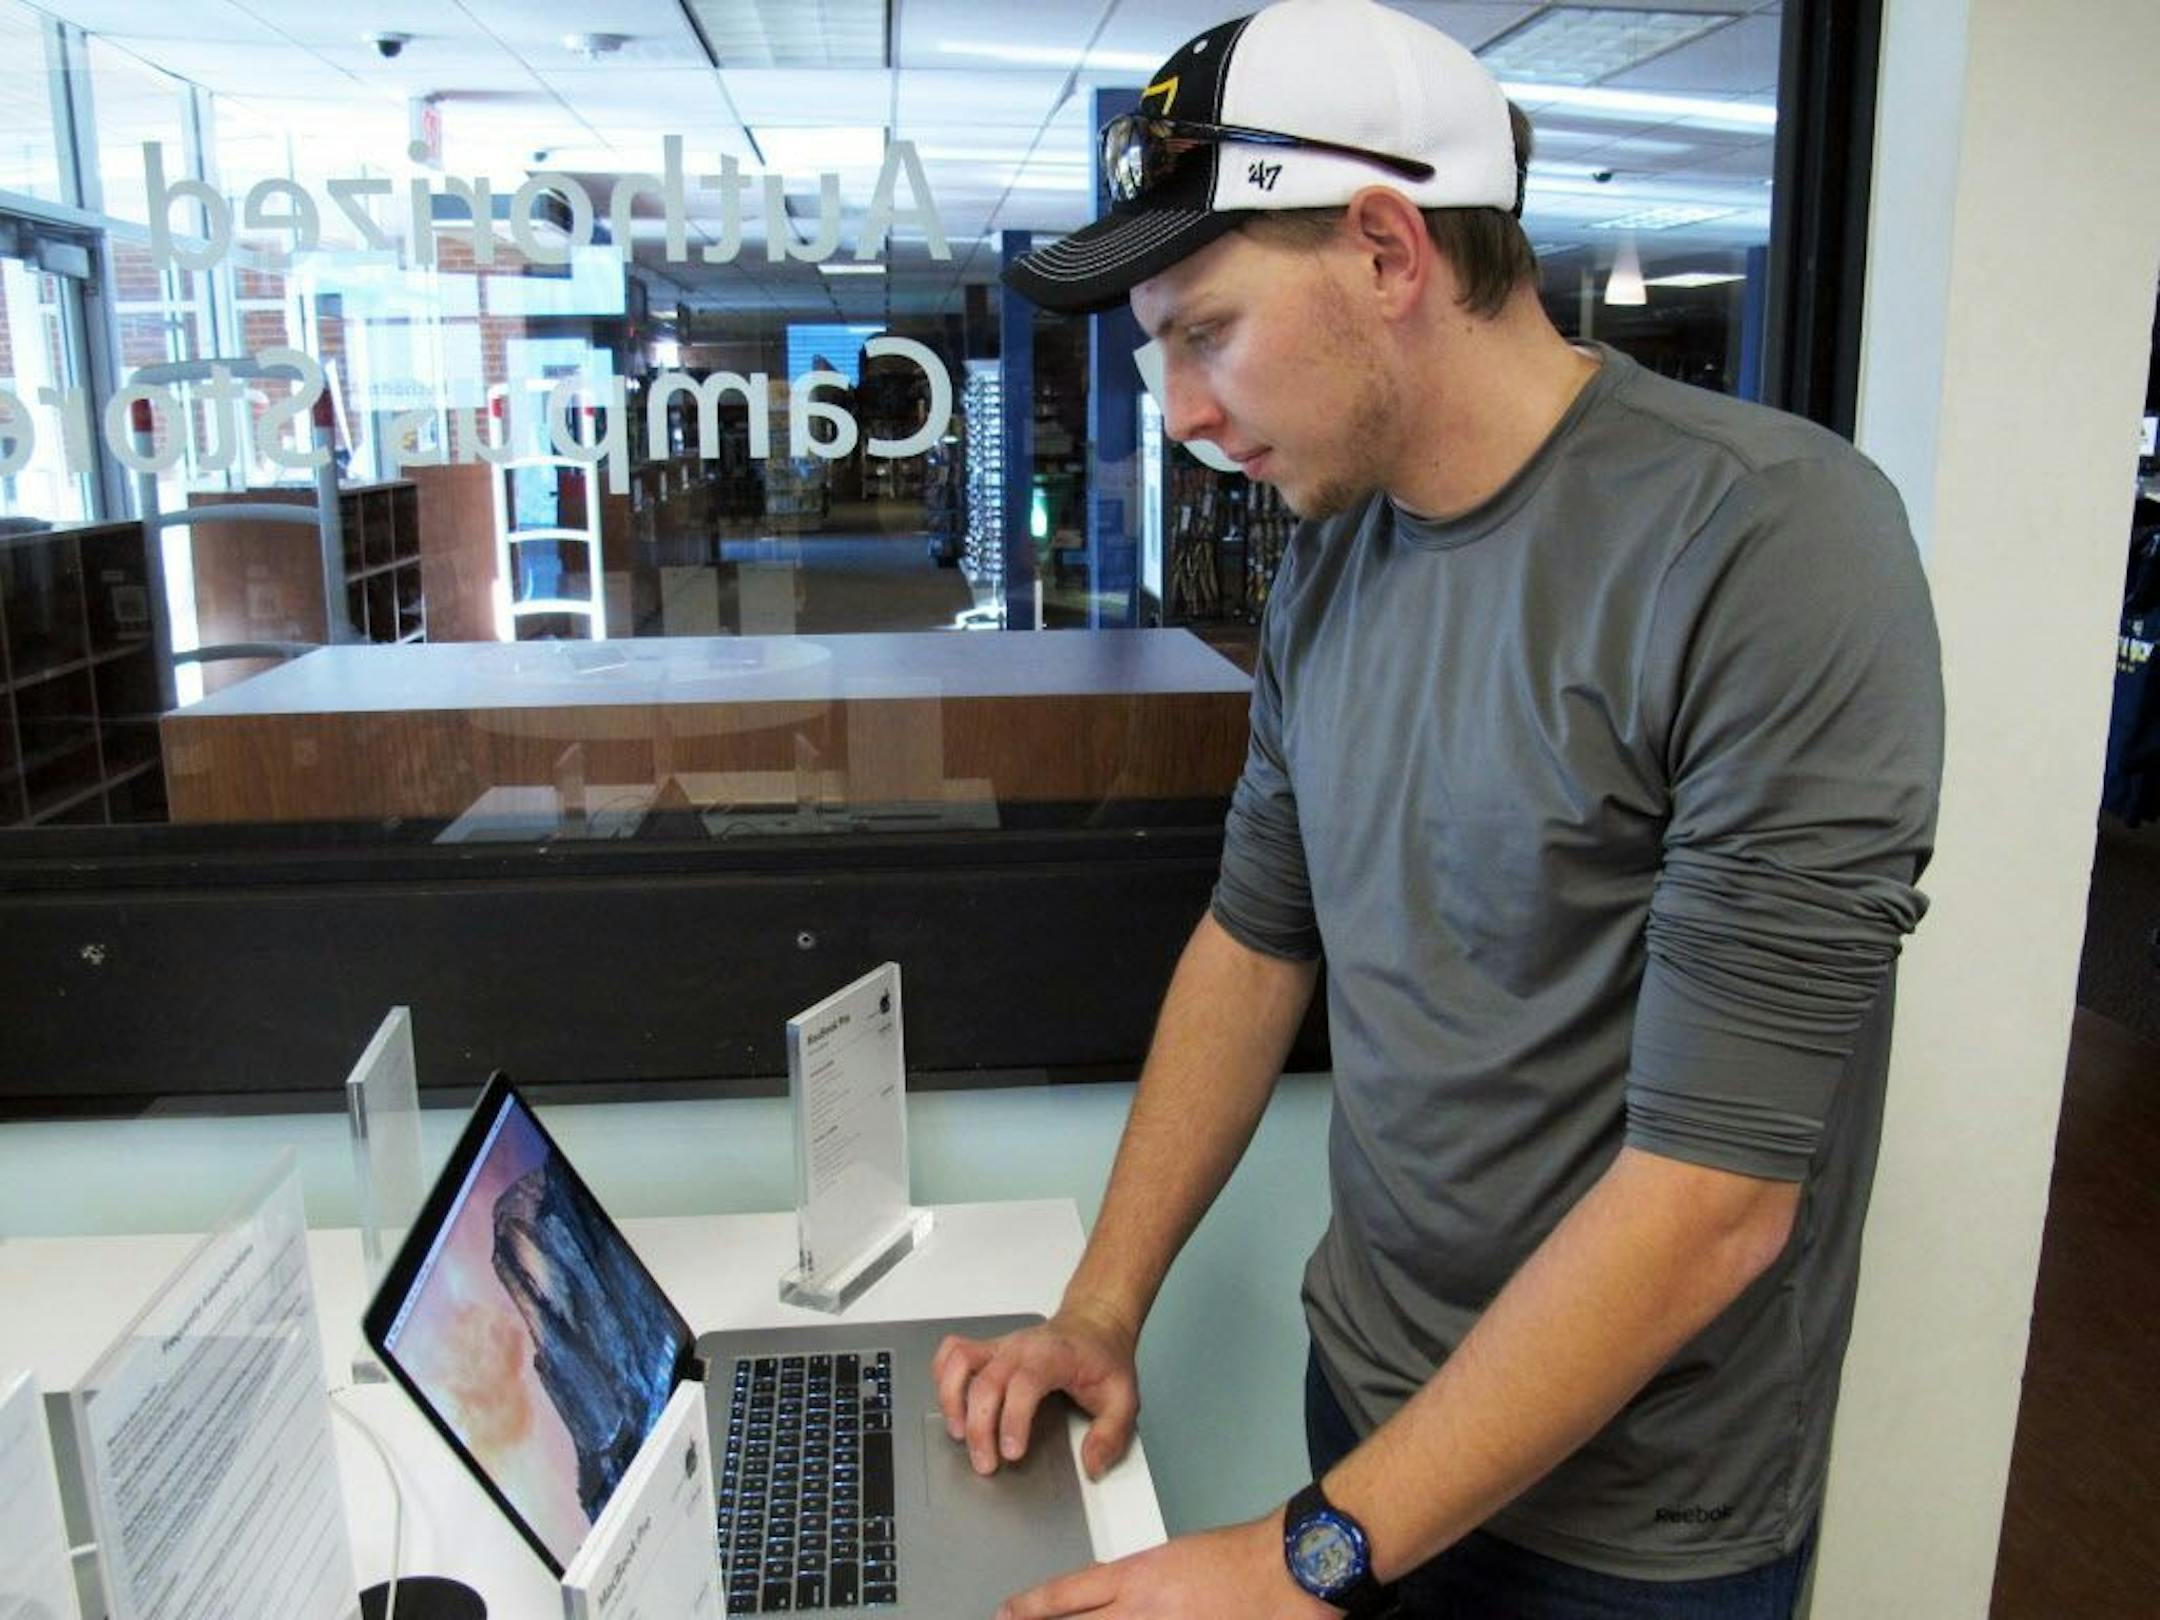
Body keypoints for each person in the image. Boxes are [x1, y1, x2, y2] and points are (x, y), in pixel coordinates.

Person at [936, 1, 1945, 1616]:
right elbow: (1255, 944)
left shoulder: (1774, 547)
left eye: (1207, 330)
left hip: (1634, 1528)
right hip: (1371, 1416)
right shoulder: (1338, 549)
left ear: (1390, 252)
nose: (1183, 414)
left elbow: (1715, 1203)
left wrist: (1300, 1559)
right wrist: (1103, 1307)